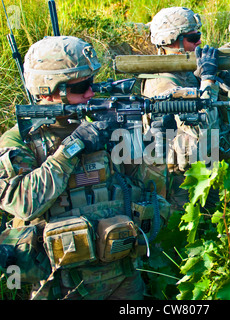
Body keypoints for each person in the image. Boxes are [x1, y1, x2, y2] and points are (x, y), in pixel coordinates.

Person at [0, 35, 169, 299]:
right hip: (60, 283)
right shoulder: (20, 140)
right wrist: (73, 147)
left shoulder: (100, 124)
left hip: (120, 273)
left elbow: (149, 188)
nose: (91, 93)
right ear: (49, 90)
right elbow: (23, 203)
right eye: (82, 87)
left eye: (93, 84)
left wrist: (152, 142)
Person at [141, 7, 230, 210]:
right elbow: (195, 137)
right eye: (193, 38)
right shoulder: (163, 86)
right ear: (170, 41)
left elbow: (218, 123)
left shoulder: (185, 74)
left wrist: (221, 86)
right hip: (179, 186)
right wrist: (207, 81)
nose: (199, 42)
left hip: (202, 172)